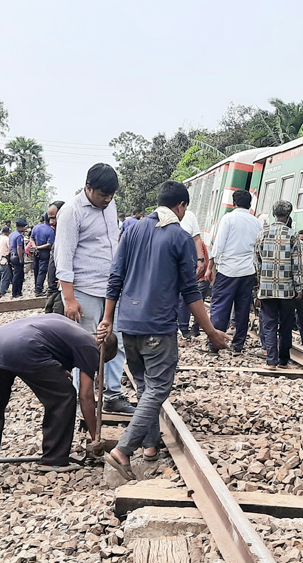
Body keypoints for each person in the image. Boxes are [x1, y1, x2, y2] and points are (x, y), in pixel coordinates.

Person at [98, 181, 228, 481]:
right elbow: (190, 292)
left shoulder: (131, 230)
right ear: (181, 207)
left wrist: (107, 318)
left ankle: (150, 446)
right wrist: (210, 332)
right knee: (158, 387)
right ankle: (123, 450)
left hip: (127, 322)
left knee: (144, 387)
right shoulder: (179, 237)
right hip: (157, 325)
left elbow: (115, 277)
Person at [0, 315, 120, 483]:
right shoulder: (91, 347)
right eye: (100, 363)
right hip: (25, 347)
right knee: (64, 397)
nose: (94, 366)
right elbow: (85, 396)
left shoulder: (70, 329)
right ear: (101, 349)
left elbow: (36, 343)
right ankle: (54, 460)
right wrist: (96, 437)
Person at [55, 164, 133, 413]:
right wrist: (69, 299)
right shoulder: (71, 212)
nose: (107, 200)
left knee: (115, 340)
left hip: (110, 288)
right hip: (84, 289)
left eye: (111, 195)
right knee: (85, 346)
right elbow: (63, 258)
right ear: (88, 188)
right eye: (102, 195)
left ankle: (112, 395)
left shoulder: (110, 206)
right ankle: (82, 399)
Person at [255, 201, 303, 368]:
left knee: (269, 323)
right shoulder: (294, 236)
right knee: (286, 324)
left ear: (274, 215)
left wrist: (260, 281)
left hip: (267, 289)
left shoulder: (262, 234)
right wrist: (300, 287)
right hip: (287, 291)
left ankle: (271, 360)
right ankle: (283, 359)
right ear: (288, 216)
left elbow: (257, 261)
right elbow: (298, 266)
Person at [206, 189, 262, 353]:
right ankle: (238, 345)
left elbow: (218, 246)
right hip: (248, 271)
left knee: (220, 306)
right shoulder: (256, 222)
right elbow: (258, 248)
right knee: (243, 309)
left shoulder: (228, 219)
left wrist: (210, 267)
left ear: (233, 203)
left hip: (227, 270)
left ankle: (214, 344)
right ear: (250, 204)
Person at [175, 206, 208, 339]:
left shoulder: (190, 217)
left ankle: (183, 326)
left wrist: (200, 259)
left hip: (188, 261)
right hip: (170, 262)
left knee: (186, 293)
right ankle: (171, 324)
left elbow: (197, 239)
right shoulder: (160, 217)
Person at [44, 202, 66, 314]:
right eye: (50, 219)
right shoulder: (57, 233)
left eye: (54, 218)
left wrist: (64, 277)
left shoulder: (70, 235)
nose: (52, 222)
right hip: (53, 288)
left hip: (61, 288)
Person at [30, 211, 56, 296]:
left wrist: (35, 247)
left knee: (36, 270)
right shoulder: (51, 231)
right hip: (44, 252)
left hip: (35, 252)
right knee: (42, 271)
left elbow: (32, 239)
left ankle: (36, 288)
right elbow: (49, 244)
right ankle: (39, 290)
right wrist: (39, 247)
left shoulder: (36, 228)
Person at [6, 218, 28, 298]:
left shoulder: (12, 234)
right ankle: (16, 292)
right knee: (18, 275)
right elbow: (19, 247)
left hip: (12, 255)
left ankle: (16, 291)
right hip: (17, 256)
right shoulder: (19, 236)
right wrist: (21, 259)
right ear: (21, 227)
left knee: (16, 274)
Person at [0, 224, 12, 298]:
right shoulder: (7, 239)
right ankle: (2, 291)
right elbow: (9, 249)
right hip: (5, 260)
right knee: (5, 277)